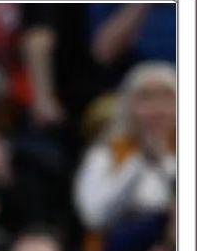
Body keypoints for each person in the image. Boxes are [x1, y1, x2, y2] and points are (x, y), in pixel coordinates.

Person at [73, 62, 176, 235]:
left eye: (166, 98)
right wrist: (139, 161)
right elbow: (94, 216)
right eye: (145, 98)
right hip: (119, 243)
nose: (156, 109)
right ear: (128, 106)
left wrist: (164, 160)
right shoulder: (106, 154)